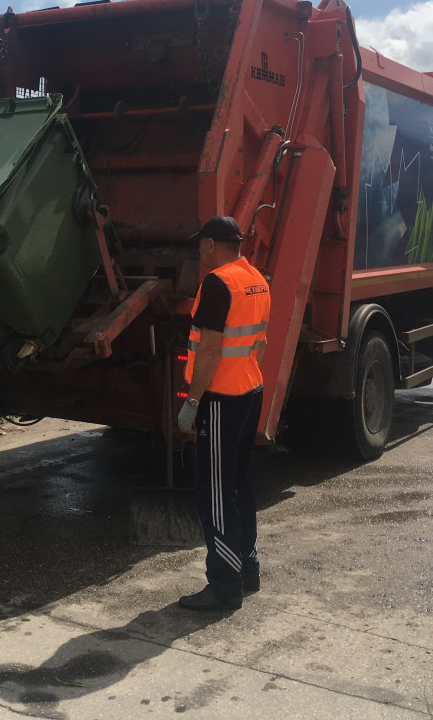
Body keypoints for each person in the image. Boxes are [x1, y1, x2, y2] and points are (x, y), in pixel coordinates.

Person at [176, 215, 272, 611]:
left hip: (220, 399)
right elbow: (260, 343)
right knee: (240, 483)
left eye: (202, 243)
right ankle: (247, 567)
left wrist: (193, 401)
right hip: (250, 390)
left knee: (215, 493)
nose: (200, 249)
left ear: (212, 244)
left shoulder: (217, 283)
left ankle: (224, 584)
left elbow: (211, 351)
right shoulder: (257, 280)